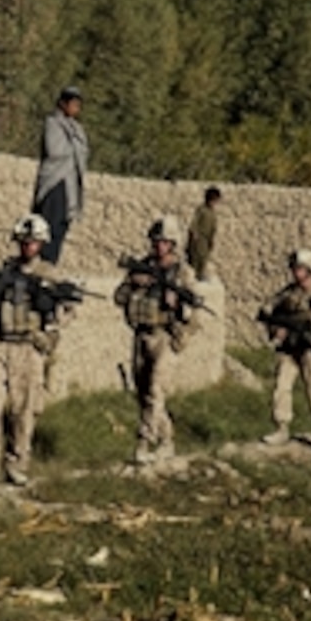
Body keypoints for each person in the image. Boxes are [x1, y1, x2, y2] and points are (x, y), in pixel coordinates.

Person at [0, 214, 69, 486]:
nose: (28, 247)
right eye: (24, 242)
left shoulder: (48, 275)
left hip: (29, 347)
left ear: (42, 244)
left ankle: (18, 461)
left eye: (33, 242)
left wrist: (47, 305)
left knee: (23, 410)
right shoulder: (4, 271)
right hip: (0, 345)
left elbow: (65, 312)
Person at [113, 215, 200, 465]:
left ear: (172, 244)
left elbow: (192, 310)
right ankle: (166, 441)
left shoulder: (182, 273)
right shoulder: (142, 267)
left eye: (163, 241)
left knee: (155, 391)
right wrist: (133, 283)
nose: (157, 245)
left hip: (165, 336)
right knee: (143, 394)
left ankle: (144, 442)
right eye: (155, 241)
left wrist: (177, 305)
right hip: (141, 335)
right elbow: (119, 297)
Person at [258, 249, 311, 451]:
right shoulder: (287, 294)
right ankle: (281, 428)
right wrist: (276, 331)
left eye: (300, 269)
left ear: (309, 270)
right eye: (295, 268)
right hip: (289, 349)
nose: (296, 273)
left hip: (310, 351)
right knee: (281, 386)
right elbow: (269, 311)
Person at [32, 86, 89, 264]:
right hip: (55, 182)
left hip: (70, 184)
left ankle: (51, 264)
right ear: (63, 104)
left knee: (60, 227)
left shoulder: (76, 128)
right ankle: (40, 262)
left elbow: (84, 151)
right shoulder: (53, 123)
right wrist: (73, 148)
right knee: (47, 226)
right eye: (73, 104)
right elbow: (55, 150)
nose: (75, 109)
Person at [186, 186, 222, 281]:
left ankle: (200, 277)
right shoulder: (201, 210)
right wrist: (194, 238)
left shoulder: (212, 213)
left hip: (206, 241)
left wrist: (211, 240)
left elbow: (213, 228)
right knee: (195, 262)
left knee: (203, 261)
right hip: (199, 240)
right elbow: (193, 225)